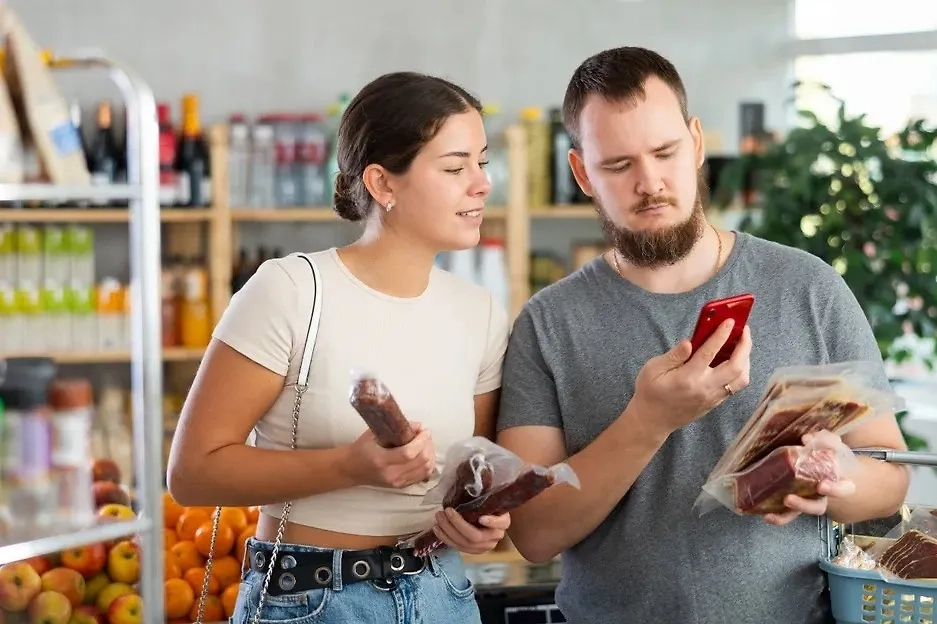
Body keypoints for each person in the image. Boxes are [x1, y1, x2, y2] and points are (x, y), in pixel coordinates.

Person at [495, 46, 910, 624]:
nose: (650, 182)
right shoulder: (547, 324)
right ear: (583, 174)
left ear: (694, 143)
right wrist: (649, 420)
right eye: (618, 165)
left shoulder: (809, 288)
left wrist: (836, 479)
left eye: (664, 152)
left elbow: (889, 481)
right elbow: (534, 534)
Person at [167, 71, 512, 624]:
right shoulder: (290, 290)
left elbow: (465, 482)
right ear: (382, 184)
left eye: (482, 162)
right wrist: (350, 466)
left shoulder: (483, 312)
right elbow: (191, 474)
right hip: (311, 599)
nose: (481, 184)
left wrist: (478, 521)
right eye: (455, 167)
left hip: (441, 595)